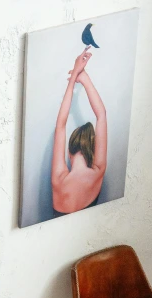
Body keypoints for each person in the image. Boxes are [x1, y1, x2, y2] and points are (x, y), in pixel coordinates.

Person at [51, 46, 107, 217]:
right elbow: (101, 115)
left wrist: (74, 74)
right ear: (93, 148)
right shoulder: (98, 172)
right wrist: (85, 79)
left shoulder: (58, 179)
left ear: (69, 152)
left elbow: (61, 124)